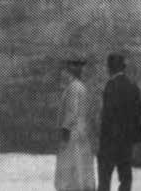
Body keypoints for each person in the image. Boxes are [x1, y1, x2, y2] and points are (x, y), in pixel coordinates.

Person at [97, 54, 141, 191]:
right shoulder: (133, 86)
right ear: (123, 68)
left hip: (109, 141)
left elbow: (107, 116)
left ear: (110, 68)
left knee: (104, 180)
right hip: (126, 142)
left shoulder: (110, 86)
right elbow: (138, 114)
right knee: (125, 178)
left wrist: (102, 139)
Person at [55, 59, 96, 191]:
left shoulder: (73, 87)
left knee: (72, 166)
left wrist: (65, 129)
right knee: (81, 165)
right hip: (81, 131)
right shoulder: (81, 87)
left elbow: (72, 111)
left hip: (73, 133)